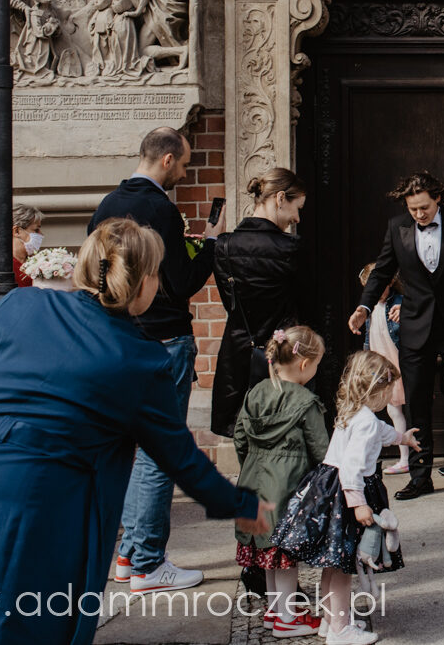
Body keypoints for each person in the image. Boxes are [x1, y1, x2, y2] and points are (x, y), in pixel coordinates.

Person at [0, 218, 270, 645]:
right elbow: (182, 460)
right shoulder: (141, 360)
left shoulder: (18, 304)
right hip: (19, 505)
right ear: (143, 282)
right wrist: (242, 503)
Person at [88, 126, 227, 593]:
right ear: (167, 160)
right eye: (185, 164)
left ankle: (126, 555)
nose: (185, 172)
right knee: (156, 451)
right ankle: (148, 561)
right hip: (164, 339)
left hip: (117, 339)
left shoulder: (106, 204)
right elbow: (182, 281)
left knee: (127, 446)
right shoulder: (160, 209)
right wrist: (208, 243)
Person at [348, 172, 444, 501]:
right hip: (415, 325)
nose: (419, 215)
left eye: (424, 208)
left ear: (438, 198)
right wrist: (363, 308)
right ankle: (420, 476)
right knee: (417, 403)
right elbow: (383, 269)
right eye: (413, 210)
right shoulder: (397, 227)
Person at [273, 351, 420, 645]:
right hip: (348, 494)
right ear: (376, 390)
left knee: (334, 563)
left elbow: (382, 431)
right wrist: (359, 504)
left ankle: (331, 621)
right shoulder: (365, 421)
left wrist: (403, 438)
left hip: (331, 490)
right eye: (389, 391)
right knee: (343, 567)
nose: (391, 397)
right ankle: (341, 630)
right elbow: (352, 467)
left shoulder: (355, 411)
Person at [234, 325, 330, 639]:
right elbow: (321, 450)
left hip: (252, 482)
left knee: (268, 555)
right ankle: (287, 618)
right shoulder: (306, 401)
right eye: (316, 364)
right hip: (286, 486)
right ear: (304, 365)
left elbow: (239, 438)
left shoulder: (255, 392)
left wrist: (253, 463)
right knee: (284, 555)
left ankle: (276, 610)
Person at [212, 168, 309, 437]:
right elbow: (304, 301)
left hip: (238, 354)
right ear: (280, 198)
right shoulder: (292, 248)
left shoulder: (224, 246)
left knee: (245, 437)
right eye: (296, 207)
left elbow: (229, 303)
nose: (297, 218)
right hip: (283, 355)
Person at [358, 263, 409, 474]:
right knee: (393, 410)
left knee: (410, 408)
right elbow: (370, 337)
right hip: (383, 364)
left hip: (400, 362)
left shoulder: (398, 303)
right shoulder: (370, 310)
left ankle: (412, 455)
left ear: (389, 282)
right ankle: (404, 457)